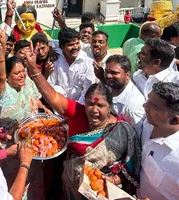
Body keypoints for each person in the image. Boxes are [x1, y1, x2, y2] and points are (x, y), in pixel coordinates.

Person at [24, 49, 141, 199]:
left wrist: (114, 179)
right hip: (72, 187)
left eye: (101, 106)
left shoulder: (123, 130)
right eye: (90, 104)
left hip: (102, 191)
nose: (94, 110)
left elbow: (131, 165)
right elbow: (53, 97)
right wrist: (34, 70)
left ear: (110, 106)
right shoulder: (79, 113)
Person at [0, 29, 48, 125]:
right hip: (9, 135)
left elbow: (35, 99)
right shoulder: (3, 89)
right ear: (7, 76)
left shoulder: (28, 82)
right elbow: (0, 76)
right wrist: (1, 48)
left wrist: (44, 108)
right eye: (17, 73)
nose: (22, 75)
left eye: (23, 71)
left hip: (34, 127)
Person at [47, 27, 96, 103]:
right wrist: (61, 95)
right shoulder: (55, 59)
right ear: (61, 47)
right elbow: (50, 84)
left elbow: (88, 89)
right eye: (71, 45)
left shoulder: (87, 61)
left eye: (77, 43)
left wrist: (77, 107)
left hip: (81, 106)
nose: (75, 47)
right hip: (59, 104)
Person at [94, 55, 145, 125]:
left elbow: (137, 134)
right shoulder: (113, 86)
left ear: (127, 75)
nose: (108, 76)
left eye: (114, 73)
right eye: (107, 72)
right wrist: (101, 78)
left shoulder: (131, 106)